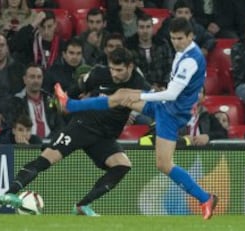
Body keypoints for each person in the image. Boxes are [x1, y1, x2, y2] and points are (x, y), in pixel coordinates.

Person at [54, 18, 218, 220]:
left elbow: (172, 94)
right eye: (173, 38)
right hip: (168, 107)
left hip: (171, 112)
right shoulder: (183, 52)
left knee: (164, 164)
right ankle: (69, 104)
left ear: (190, 37)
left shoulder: (191, 60)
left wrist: (141, 95)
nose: (176, 42)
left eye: (180, 38)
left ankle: (205, 198)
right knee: (121, 95)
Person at [0, 47, 151, 216]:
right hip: (83, 125)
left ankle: (82, 206)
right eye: (112, 68)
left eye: (119, 70)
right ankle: (9, 193)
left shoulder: (139, 84)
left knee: (122, 165)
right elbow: (72, 93)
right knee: (48, 158)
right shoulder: (99, 74)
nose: (114, 74)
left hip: (105, 136)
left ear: (130, 67)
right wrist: (64, 102)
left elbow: (153, 105)